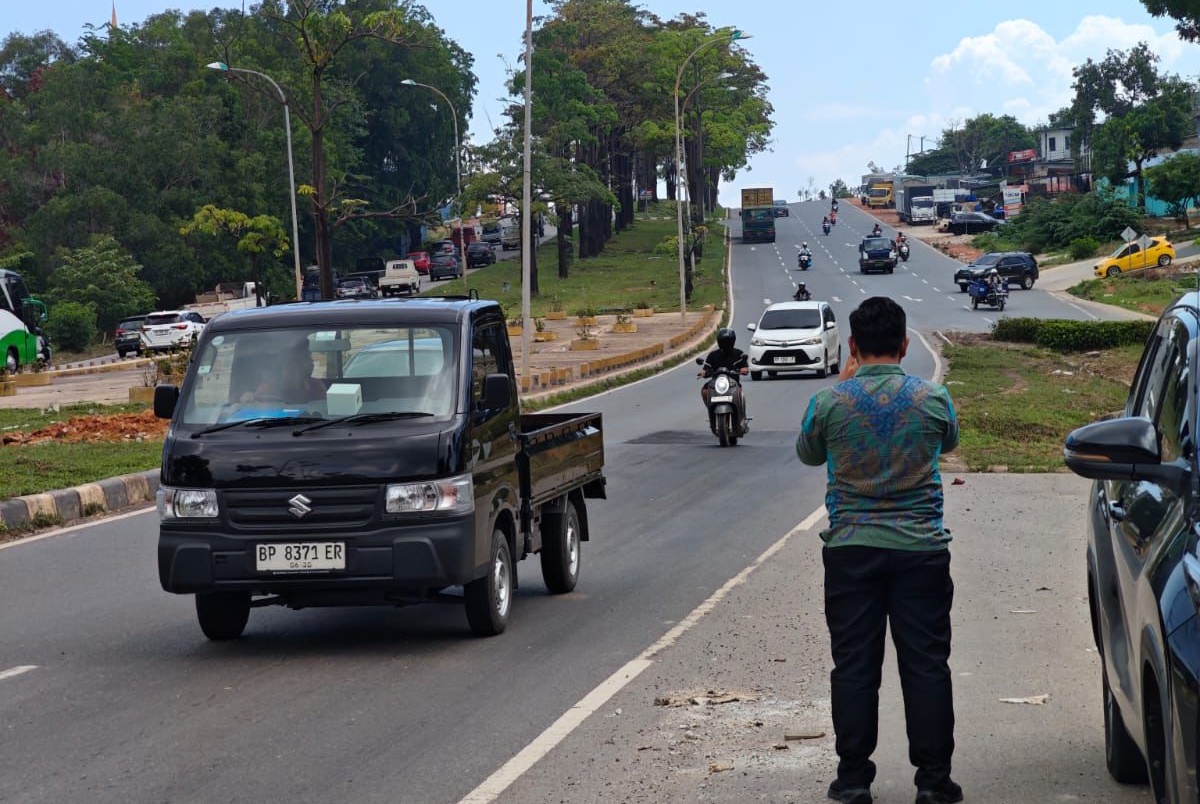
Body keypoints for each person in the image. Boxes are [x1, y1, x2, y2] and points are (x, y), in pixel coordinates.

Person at [796, 297, 961, 804]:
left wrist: (842, 385)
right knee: (926, 665)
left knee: (854, 667)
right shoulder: (933, 398)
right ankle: (933, 782)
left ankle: (852, 780)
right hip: (921, 549)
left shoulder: (829, 403)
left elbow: (809, 453)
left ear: (852, 345)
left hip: (851, 550)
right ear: (905, 345)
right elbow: (948, 443)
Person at [241, 337, 326, 404]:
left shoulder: (315, 386)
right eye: (305, 358)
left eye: (309, 357)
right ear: (285, 364)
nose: (311, 362)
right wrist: (248, 400)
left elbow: (325, 411)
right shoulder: (266, 390)